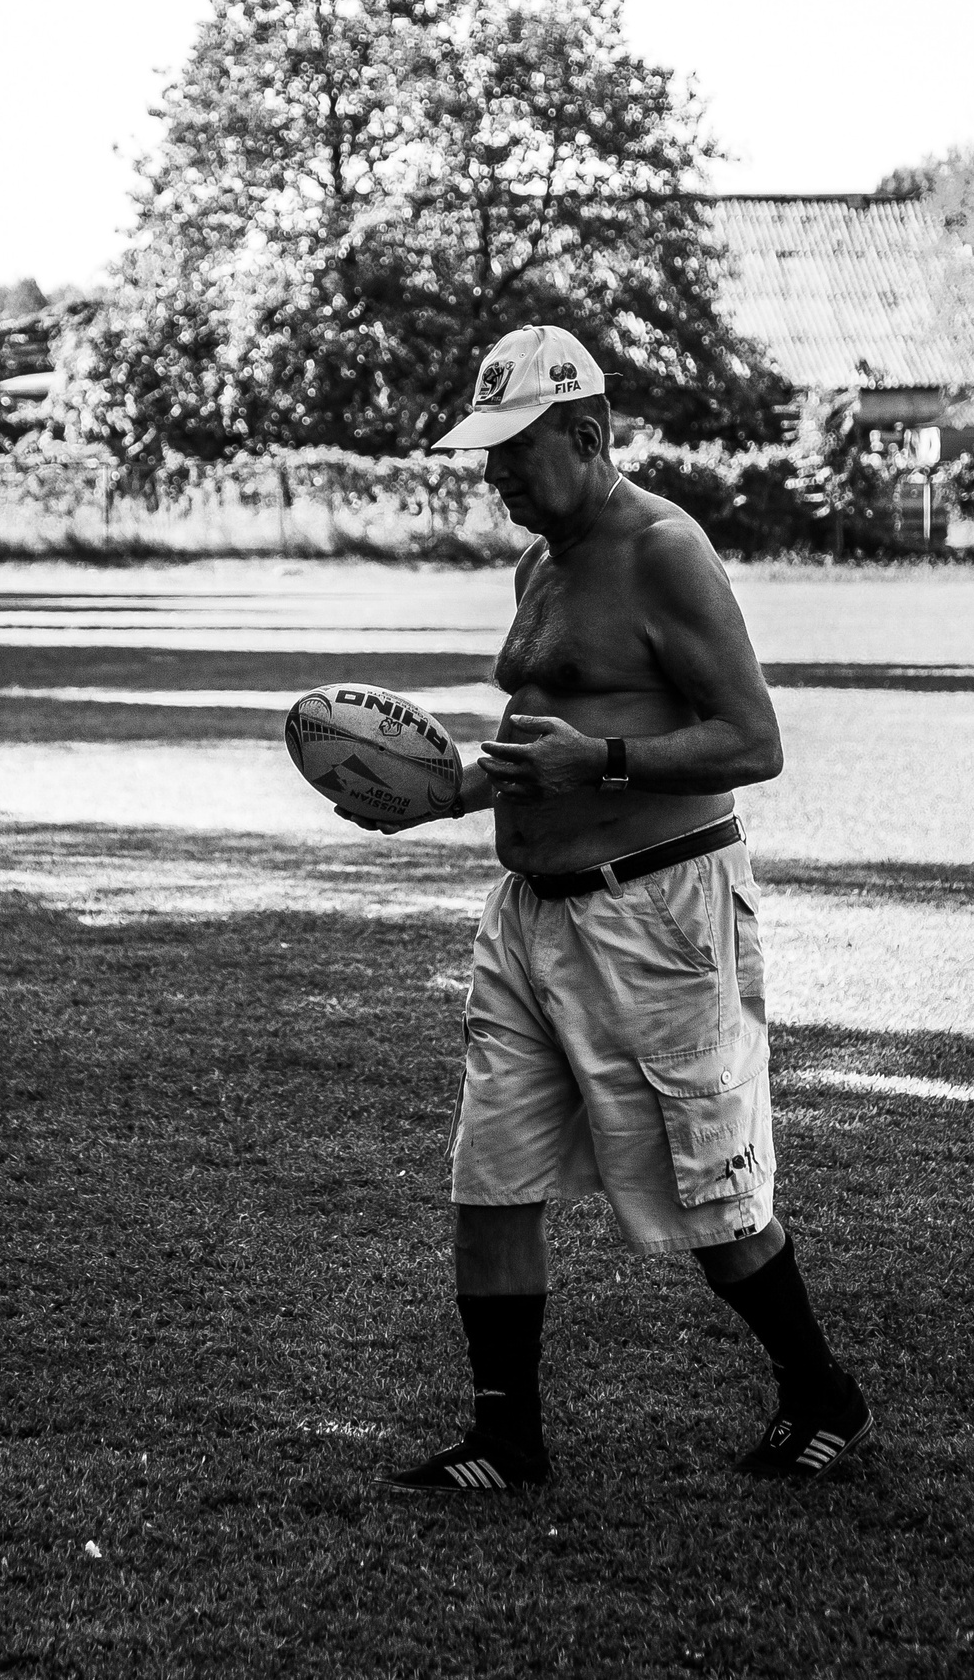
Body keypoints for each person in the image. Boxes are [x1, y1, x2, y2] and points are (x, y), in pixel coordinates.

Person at [352, 324, 868, 1493]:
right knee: (488, 1177)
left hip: (658, 917)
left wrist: (605, 766)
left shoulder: (662, 551)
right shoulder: (537, 561)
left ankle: (822, 1390)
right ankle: (506, 1438)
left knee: (715, 1198)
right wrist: (441, 790)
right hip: (528, 917)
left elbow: (753, 741)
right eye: (484, 451)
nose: (492, 476)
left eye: (513, 452)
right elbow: (540, 750)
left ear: (586, 436)